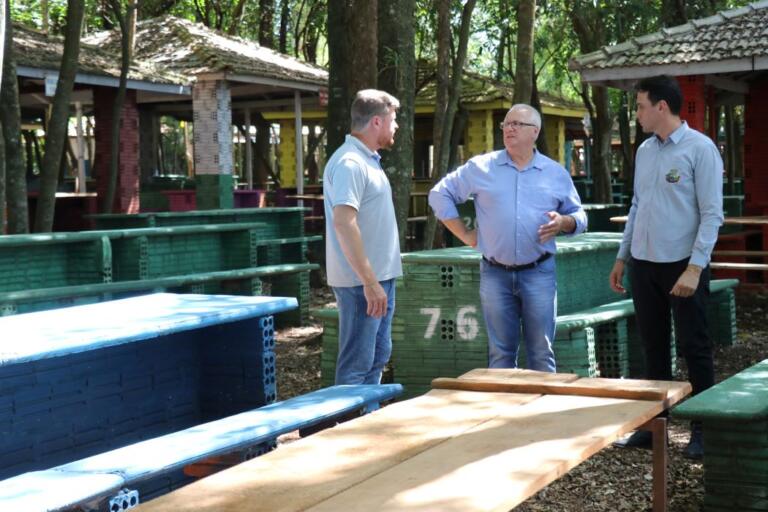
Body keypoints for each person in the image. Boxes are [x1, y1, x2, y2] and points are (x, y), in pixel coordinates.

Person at [609, 75, 724, 459]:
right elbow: (637, 206)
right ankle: (653, 427)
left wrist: (695, 269)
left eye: (640, 105)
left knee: (695, 346)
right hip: (644, 263)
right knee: (652, 347)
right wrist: (623, 257)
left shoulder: (700, 149)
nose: (636, 113)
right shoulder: (644, 151)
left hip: (683, 264)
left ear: (661, 107)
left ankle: (704, 429)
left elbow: (712, 216)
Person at [429, 104, 587, 372]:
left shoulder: (555, 173)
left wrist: (564, 222)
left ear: (534, 132)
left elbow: (580, 216)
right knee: (500, 356)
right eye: (506, 124)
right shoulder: (481, 167)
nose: (509, 128)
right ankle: (503, 413)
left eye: (517, 124)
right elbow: (438, 194)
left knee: (541, 352)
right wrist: (465, 234)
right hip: (495, 274)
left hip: (539, 272)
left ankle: (540, 412)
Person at [323, 89, 402, 385]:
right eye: (393, 120)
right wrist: (369, 282)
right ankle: (345, 428)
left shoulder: (368, 160)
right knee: (357, 364)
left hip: (379, 279)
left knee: (377, 358)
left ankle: (367, 422)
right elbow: (344, 223)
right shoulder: (350, 163)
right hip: (361, 284)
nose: (396, 126)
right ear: (377, 122)